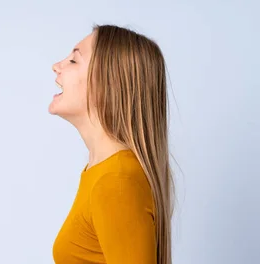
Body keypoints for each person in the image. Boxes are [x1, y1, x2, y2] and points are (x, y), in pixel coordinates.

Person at [49, 24, 173, 264]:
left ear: (108, 84)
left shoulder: (115, 181)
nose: (57, 66)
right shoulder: (101, 172)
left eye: (74, 61)